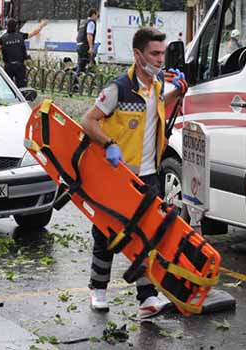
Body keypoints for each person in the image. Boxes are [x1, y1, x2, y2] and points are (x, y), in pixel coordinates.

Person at [80, 27, 188, 319]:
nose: (160, 59)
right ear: (138, 55)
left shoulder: (156, 87)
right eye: (154, 53)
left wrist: (178, 89)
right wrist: (109, 144)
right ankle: (98, 289)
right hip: (119, 175)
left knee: (147, 235)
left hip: (149, 175)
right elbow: (89, 121)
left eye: (163, 53)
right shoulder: (118, 88)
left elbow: (156, 111)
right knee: (106, 233)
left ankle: (147, 299)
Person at [0, 18, 47, 88]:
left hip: (8, 66)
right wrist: (41, 25)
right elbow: (34, 32)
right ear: (16, 26)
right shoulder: (20, 35)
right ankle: (22, 97)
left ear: (7, 27)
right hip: (20, 65)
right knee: (22, 86)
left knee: (8, 86)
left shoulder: (3, 38)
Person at [76, 8, 98, 74]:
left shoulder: (83, 22)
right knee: (85, 66)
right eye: (97, 16)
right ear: (93, 15)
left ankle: (76, 80)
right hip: (85, 47)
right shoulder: (91, 23)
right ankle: (74, 82)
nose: (97, 18)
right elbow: (89, 35)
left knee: (83, 65)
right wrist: (91, 47)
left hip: (80, 46)